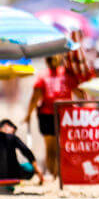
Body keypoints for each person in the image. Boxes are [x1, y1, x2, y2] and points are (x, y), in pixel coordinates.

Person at [24, 52, 90, 180]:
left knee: (51, 148)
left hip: (47, 114)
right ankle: (59, 174)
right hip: (65, 115)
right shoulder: (67, 75)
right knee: (63, 146)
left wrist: (28, 114)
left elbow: (35, 98)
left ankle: (54, 174)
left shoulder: (43, 76)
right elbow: (80, 93)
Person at [0, 119, 44, 184]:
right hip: (11, 176)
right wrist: (36, 169)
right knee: (29, 167)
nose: (13, 133)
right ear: (6, 126)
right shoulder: (12, 137)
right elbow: (27, 151)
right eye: (13, 131)